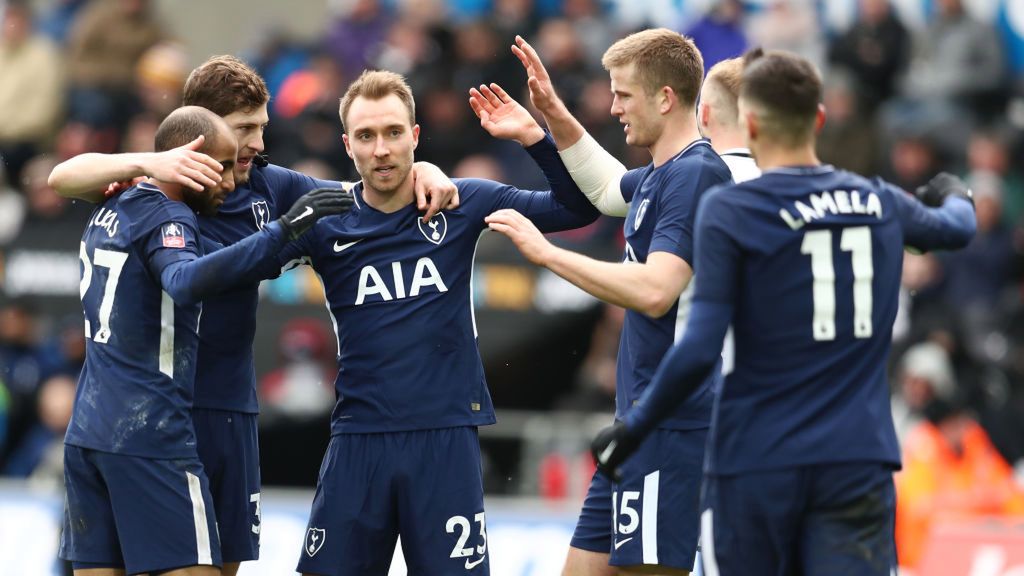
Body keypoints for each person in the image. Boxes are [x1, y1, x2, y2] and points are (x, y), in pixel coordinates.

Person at [48, 55, 457, 576]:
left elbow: (363, 196)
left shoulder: (265, 184)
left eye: (262, 127)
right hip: (160, 417)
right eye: (245, 130)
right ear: (204, 128)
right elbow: (63, 177)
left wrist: (419, 166)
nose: (259, 144)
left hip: (226, 410)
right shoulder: (154, 195)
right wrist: (145, 162)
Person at [591, 50, 977, 576]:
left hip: (759, 459)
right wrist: (956, 191)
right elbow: (956, 229)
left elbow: (700, 347)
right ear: (818, 119)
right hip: (856, 460)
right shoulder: (876, 200)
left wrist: (634, 428)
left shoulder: (731, 210)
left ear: (748, 123)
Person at [275, 69, 597, 576]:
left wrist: (533, 137)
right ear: (348, 145)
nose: (381, 149)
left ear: (416, 136)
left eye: (393, 132)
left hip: (445, 439)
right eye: (366, 136)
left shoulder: (462, 201)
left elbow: (575, 208)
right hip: (359, 440)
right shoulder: (325, 220)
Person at [59, 106, 353, 576]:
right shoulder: (169, 217)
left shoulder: (114, 199)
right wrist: (283, 230)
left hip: (88, 430)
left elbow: (61, 177)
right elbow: (183, 279)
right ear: (189, 160)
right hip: (150, 430)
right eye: (221, 168)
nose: (231, 183)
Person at [479, 30, 730, 575]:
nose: (614, 108)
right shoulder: (666, 172)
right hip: (638, 426)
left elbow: (656, 290)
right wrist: (545, 121)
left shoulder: (696, 175)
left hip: (673, 426)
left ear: (665, 98)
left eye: (624, 95)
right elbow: (608, 189)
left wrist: (546, 255)